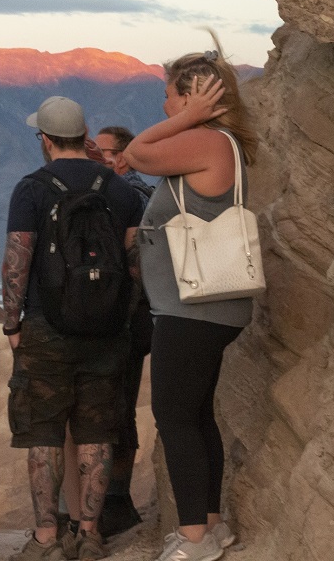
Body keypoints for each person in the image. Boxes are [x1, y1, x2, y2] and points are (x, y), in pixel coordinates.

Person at [121, 44, 259, 561]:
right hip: (205, 307)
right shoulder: (219, 144)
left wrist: (192, 117)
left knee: (174, 416)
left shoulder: (207, 141)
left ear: (194, 96)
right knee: (197, 416)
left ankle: (195, 540)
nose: (163, 107)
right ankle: (213, 526)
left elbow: (135, 153)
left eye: (169, 95)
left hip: (193, 309)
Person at [3, 97, 141, 561]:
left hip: (46, 327)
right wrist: (120, 317)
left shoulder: (31, 190)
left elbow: (17, 258)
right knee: (96, 433)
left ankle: (46, 537)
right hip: (106, 333)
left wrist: (12, 321)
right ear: (85, 136)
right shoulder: (120, 192)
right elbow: (134, 263)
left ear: (44, 139)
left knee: (43, 434)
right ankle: (88, 533)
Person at [88, 125, 154, 537]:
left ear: (124, 156)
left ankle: (114, 498)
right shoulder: (108, 192)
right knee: (113, 409)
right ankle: (109, 502)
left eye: (105, 151)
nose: (98, 157)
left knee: (116, 410)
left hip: (127, 319)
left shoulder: (132, 196)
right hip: (124, 316)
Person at [94, 127, 155, 205]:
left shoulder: (132, 194)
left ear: (122, 159)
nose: (92, 157)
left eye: (99, 151)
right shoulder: (99, 185)